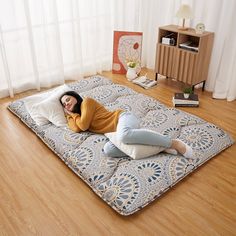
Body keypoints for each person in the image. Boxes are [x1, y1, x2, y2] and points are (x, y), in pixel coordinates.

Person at [60, 91, 193, 158]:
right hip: (114, 133)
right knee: (109, 150)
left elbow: (82, 126)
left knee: (124, 136)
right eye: (64, 104)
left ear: (75, 96)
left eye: (68, 99)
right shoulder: (76, 116)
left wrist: (72, 114)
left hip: (123, 118)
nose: (67, 103)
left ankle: (173, 143)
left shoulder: (86, 102)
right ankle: (159, 146)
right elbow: (76, 128)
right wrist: (70, 114)